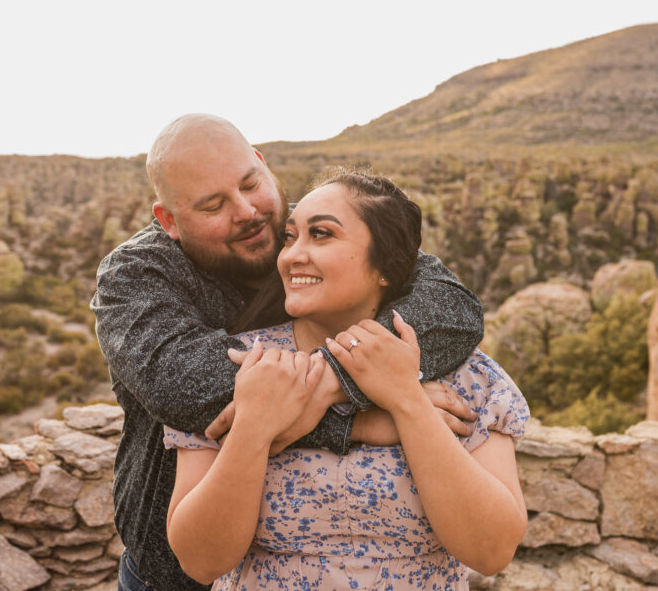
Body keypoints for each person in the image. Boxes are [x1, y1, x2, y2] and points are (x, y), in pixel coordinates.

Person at [91, 115, 485, 591]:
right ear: (169, 220)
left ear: (262, 163)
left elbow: (451, 309)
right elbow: (184, 384)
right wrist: (359, 417)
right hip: (171, 574)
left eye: (250, 183)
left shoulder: (312, 230)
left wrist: (331, 381)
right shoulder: (136, 273)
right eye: (214, 205)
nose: (247, 212)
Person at [165, 170, 529, 589]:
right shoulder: (238, 366)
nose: (292, 255)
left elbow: (491, 551)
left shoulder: (468, 376)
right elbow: (200, 561)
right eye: (290, 236)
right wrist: (252, 427)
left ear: (386, 267)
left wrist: (406, 400)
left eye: (321, 234)